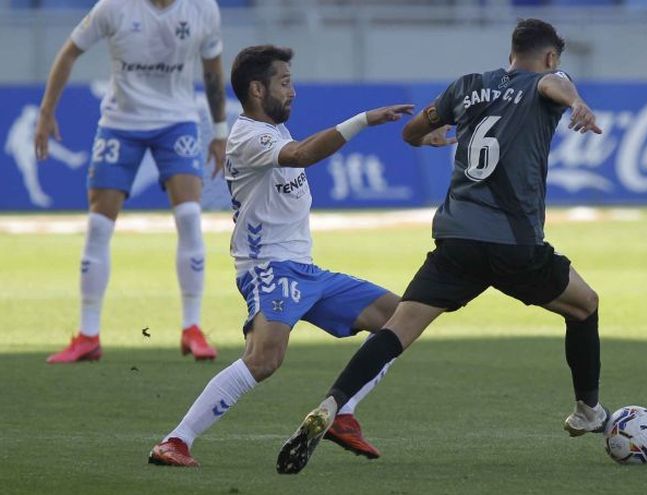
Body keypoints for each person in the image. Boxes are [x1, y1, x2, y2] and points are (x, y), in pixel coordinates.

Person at [277, 18, 609, 475]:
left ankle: (331, 404)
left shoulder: (467, 86)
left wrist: (431, 135)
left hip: (456, 240)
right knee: (585, 306)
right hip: (514, 243)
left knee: (395, 331)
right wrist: (579, 103)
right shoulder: (551, 79)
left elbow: (411, 132)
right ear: (551, 57)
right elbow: (553, 85)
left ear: (510, 52)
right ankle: (588, 411)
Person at [147, 45, 414, 467]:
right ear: (257, 89)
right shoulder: (249, 137)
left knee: (399, 318)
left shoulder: (273, 129)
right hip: (268, 267)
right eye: (285, 83)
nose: (293, 91)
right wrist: (364, 119)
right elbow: (303, 155)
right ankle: (176, 440)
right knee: (264, 359)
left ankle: (342, 412)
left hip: (305, 270)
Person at [35, 0, 228, 363]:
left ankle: (192, 328)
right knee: (98, 225)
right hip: (121, 124)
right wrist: (46, 113)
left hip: (177, 121)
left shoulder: (203, 8)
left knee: (189, 217)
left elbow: (213, 68)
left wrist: (219, 130)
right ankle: (88, 335)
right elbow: (69, 52)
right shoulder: (114, 7)